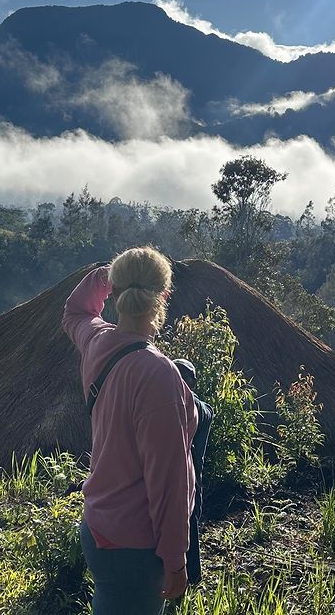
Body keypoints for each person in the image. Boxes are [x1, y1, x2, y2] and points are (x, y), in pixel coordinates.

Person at [62, 247, 198, 615]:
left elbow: (76, 310)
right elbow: (168, 479)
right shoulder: (159, 375)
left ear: (117, 293)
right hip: (136, 545)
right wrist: (175, 559)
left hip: (99, 525)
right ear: (165, 296)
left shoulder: (97, 343)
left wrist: (108, 276)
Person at [172, 359, 213, 585]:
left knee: (182, 525)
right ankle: (193, 576)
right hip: (196, 473)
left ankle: (185, 577)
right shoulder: (206, 409)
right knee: (191, 522)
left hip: (181, 474)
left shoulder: (188, 407)